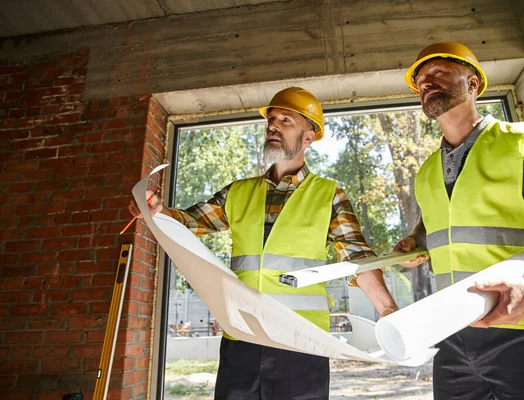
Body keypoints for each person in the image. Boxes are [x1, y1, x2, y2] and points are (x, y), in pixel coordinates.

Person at [129, 87, 398, 400]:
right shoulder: (238, 192)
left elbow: (358, 258)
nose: (273, 125)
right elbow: (189, 223)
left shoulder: (329, 195)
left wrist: (388, 310)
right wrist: (156, 213)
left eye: (286, 119)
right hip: (241, 339)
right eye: (271, 119)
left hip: (299, 344)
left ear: (308, 136)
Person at [394, 42, 524, 400]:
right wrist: (416, 240)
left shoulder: (521, 145)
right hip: (453, 334)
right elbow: (443, 223)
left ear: (473, 84)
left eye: (438, 73)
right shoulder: (427, 171)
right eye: (420, 80)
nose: (426, 82)